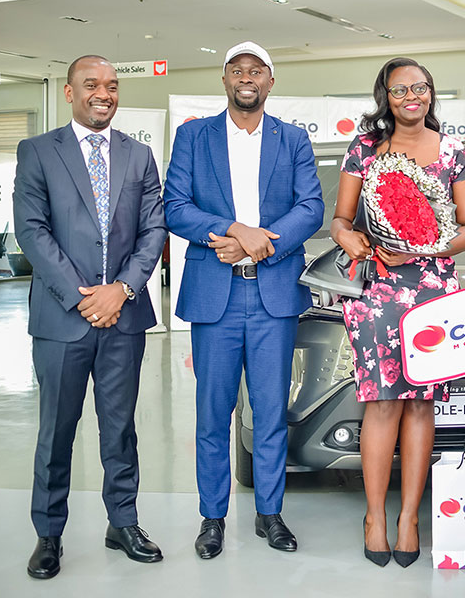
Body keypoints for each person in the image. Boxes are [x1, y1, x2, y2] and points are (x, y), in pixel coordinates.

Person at [162, 41, 324, 559]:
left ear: (270, 82)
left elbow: (311, 207)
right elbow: (175, 206)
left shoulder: (292, 139)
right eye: (237, 70)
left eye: (256, 71)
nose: (246, 78)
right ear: (225, 79)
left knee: (271, 411)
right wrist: (234, 230)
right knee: (213, 412)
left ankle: (269, 514)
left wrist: (260, 244)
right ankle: (212, 517)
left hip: (273, 292)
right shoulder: (194, 136)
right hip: (216, 294)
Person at [13, 55, 168, 579]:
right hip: (63, 319)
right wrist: (85, 298)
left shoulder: (139, 155)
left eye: (112, 85)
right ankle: (49, 534)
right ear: (69, 92)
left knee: (120, 429)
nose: (104, 93)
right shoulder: (38, 151)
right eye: (91, 84)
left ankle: (123, 522)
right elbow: (32, 230)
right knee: (57, 431)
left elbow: (153, 230)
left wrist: (120, 290)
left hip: (124, 317)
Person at [331, 57, 465, 567]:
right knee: (382, 404)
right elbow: (340, 220)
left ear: (431, 93)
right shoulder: (365, 149)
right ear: (386, 98)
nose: (411, 97)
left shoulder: (453, 152)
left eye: (419, 88)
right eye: (399, 90)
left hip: (433, 291)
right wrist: (354, 242)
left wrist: (423, 248)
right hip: (377, 290)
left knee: (421, 404)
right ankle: (375, 516)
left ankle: (409, 518)